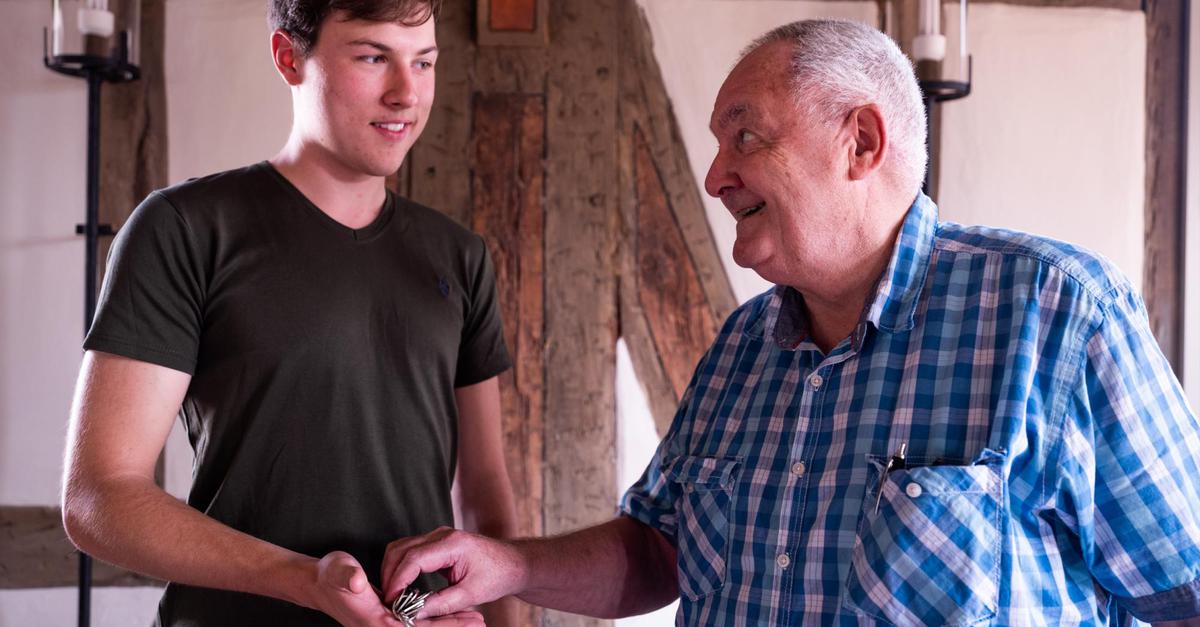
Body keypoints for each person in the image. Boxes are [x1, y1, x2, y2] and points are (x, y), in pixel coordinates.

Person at [377, 18, 1200, 626]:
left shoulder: (1055, 313)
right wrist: (505, 565)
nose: (714, 175)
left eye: (745, 137)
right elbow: (656, 551)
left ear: (862, 141)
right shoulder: (741, 348)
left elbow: (1185, 589)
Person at [60, 1, 518, 625]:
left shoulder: (460, 256)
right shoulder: (184, 230)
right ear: (289, 58)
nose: (406, 93)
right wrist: (305, 580)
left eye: (424, 62)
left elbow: (488, 504)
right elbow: (99, 498)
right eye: (372, 57)